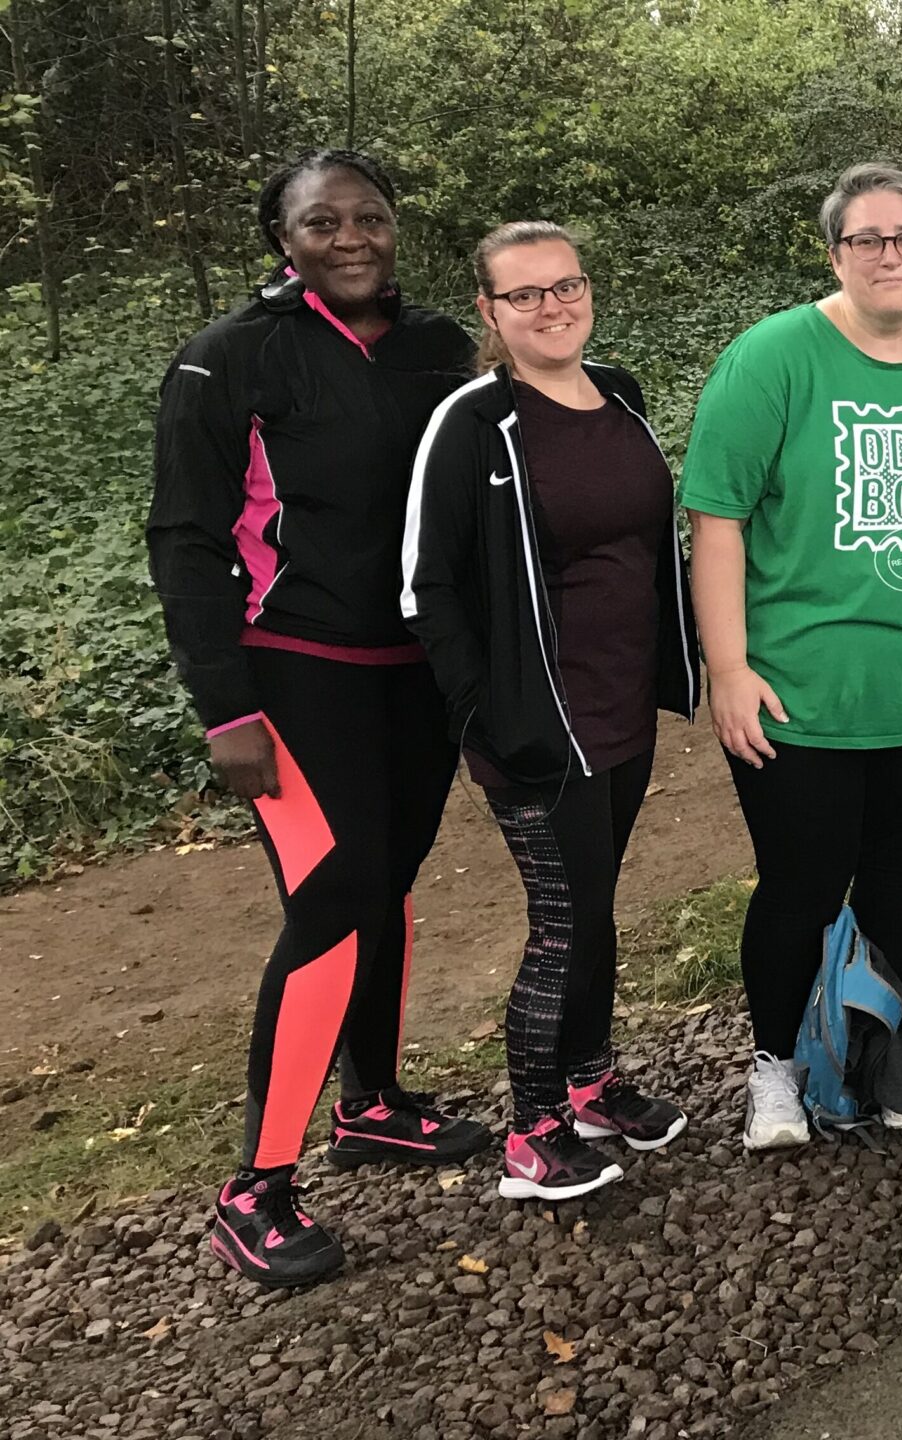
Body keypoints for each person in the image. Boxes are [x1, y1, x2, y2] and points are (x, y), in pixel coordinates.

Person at [149, 149, 485, 1286]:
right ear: (279, 239)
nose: (350, 238)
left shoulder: (444, 349)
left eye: (371, 217)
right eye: (321, 221)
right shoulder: (228, 359)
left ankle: (374, 1103)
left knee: (384, 882)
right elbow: (185, 543)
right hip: (290, 678)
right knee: (333, 900)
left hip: (415, 675)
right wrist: (223, 708)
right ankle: (256, 1188)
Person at [681, 163, 902, 1150]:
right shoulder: (771, 360)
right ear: (834, 252)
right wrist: (730, 671)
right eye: (867, 238)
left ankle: (880, 1053)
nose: (891, 254)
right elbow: (716, 522)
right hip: (798, 693)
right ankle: (774, 1067)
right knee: (801, 882)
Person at [403, 222, 698, 1201]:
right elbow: (425, 586)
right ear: (488, 312)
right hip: (534, 720)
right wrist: (481, 711)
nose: (551, 305)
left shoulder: (618, 394)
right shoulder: (473, 422)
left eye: (565, 285)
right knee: (563, 919)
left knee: (596, 906)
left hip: (621, 702)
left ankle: (592, 1084)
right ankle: (531, 1135)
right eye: (523, 295)